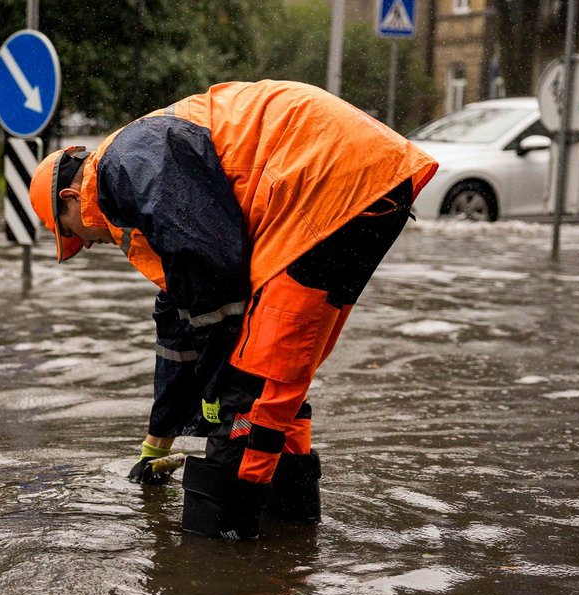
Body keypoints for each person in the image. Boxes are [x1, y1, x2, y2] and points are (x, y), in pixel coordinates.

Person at [29, 80, 438, 540]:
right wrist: (156, 442)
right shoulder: (139, 180)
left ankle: (215, 568)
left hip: (322, 182)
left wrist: (218, 387)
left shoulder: (125, 168)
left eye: (73, 235)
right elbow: (177, 325)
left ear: (70, 199)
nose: (86, 245)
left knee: (250, 389)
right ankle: (291, 536)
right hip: (359, 184)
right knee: (279, 378)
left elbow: (214, 270)